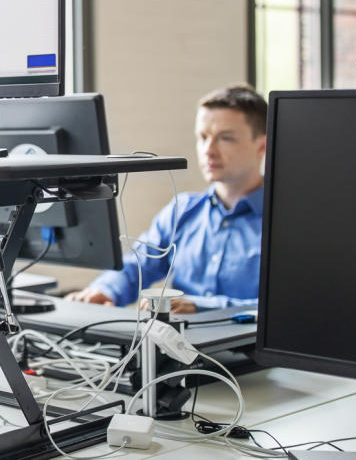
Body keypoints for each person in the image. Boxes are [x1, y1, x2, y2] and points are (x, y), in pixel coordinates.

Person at [66, 85, 267, 314]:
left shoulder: (287, 222)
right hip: (178, 346)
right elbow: (137, 266)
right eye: (203, 137)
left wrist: (203, 307)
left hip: (245, 349)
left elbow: (289, 308)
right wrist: (104, 290)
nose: (208, 150)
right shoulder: (182, 210)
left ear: (262, 145)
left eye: (226, 138)